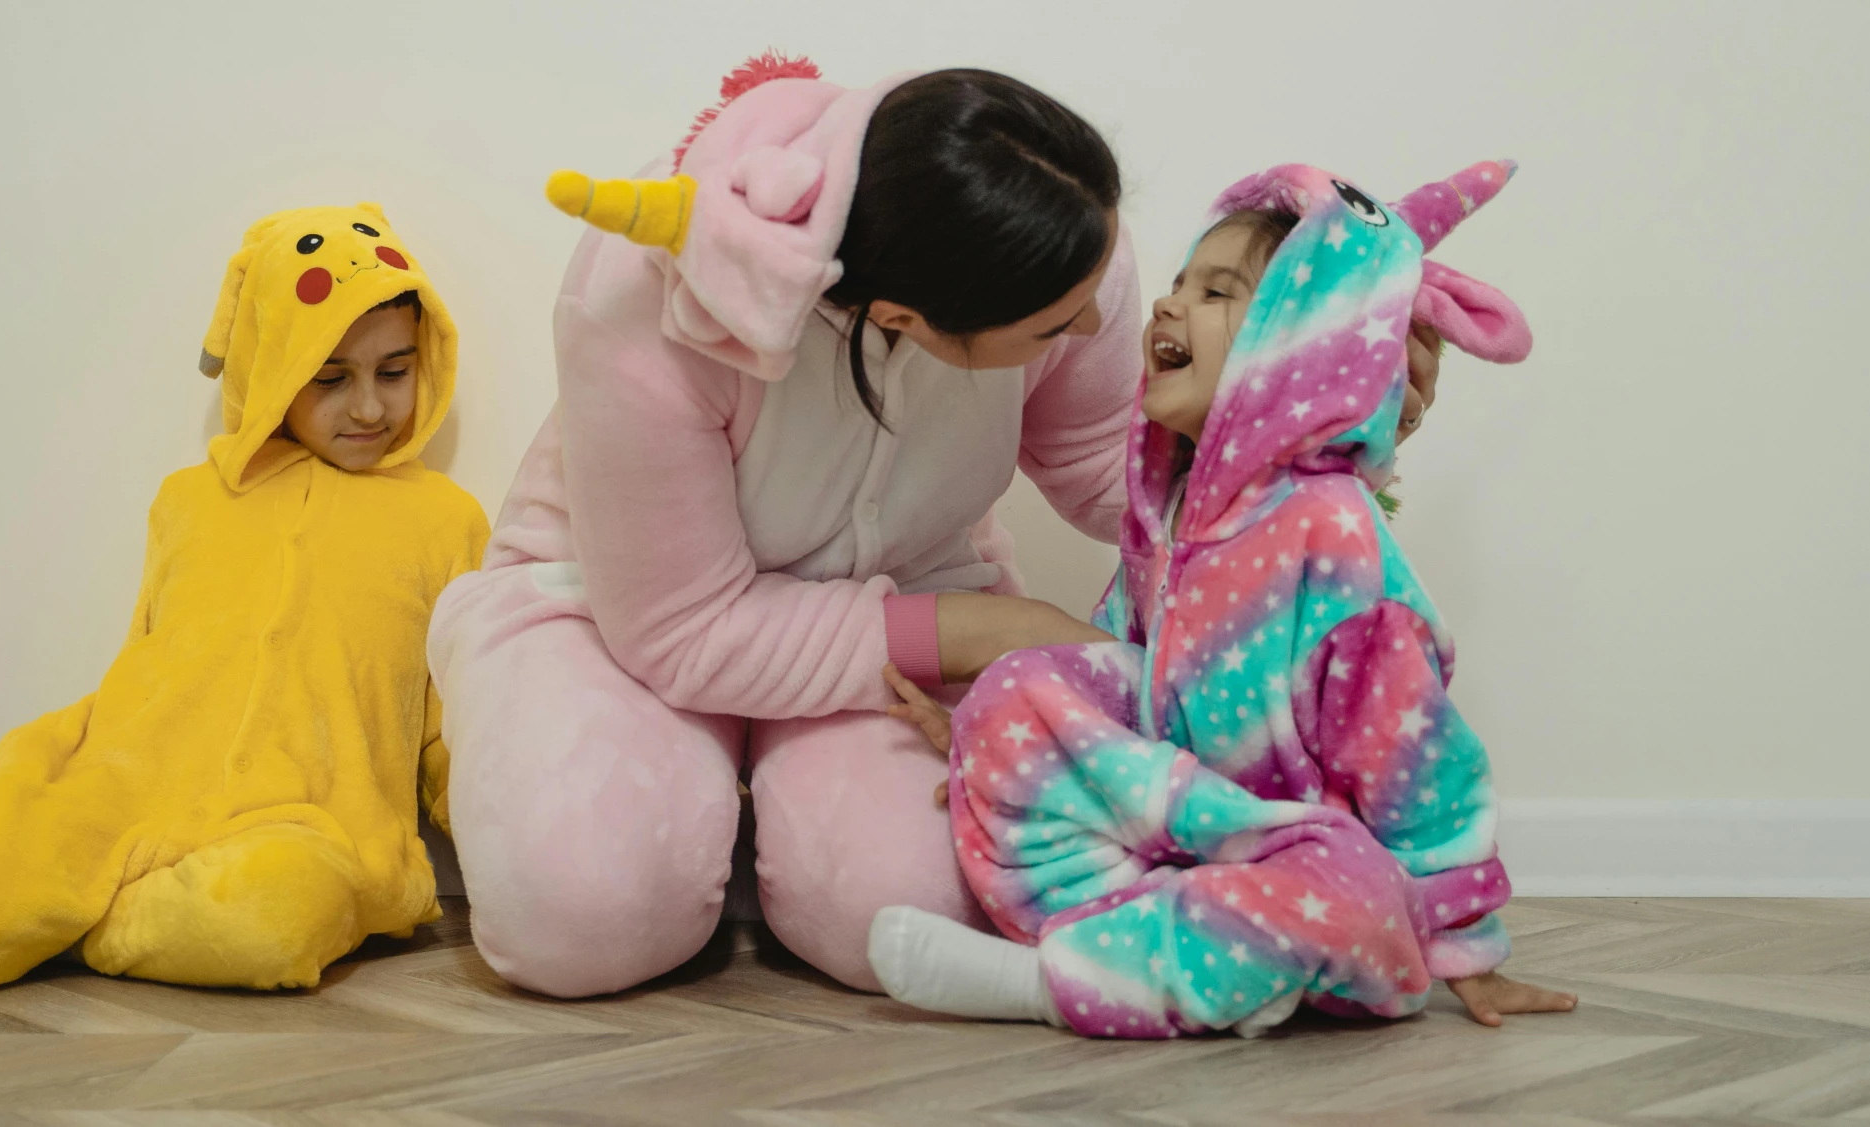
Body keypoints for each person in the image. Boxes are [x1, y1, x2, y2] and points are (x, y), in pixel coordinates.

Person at [428, 56, 1444, 995]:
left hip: (899, 604)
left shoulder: (1064, 248)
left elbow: (1106, 469)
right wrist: (998, 630)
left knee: (922, 907)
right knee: (584, 914)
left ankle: (741, 813)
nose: (1093, 332)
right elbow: (686, 631)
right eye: (1053, 329)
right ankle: (645, 791)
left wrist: (1306, 415)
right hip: (622, 617)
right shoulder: (639, 298)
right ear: (904, 322)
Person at [869, 160, 1578, 1036]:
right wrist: (991, 731)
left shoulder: (1334, 535)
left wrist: (1467, 945)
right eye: (1176, 283)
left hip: (1297, 847)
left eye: (1214, 292)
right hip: (1180, 826)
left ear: (1299, 344)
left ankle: (1056, 982)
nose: (1166, 306)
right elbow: (1116, 661)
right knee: (1015, 686)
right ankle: (1182, 948)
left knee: (1354, 902)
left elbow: (1417, 756)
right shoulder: (1172, 512)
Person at [0, 205, 491, 1003]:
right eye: (330, 376)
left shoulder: (447, 520)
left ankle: (84, 927)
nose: (371, 408)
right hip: (123, 786)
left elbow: (458, 717)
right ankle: (68, 898)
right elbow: (151, 654)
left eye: (394, 371)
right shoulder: (190, 500)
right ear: (270, 367)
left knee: (274, 916)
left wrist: (513, 844)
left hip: (311, 823)